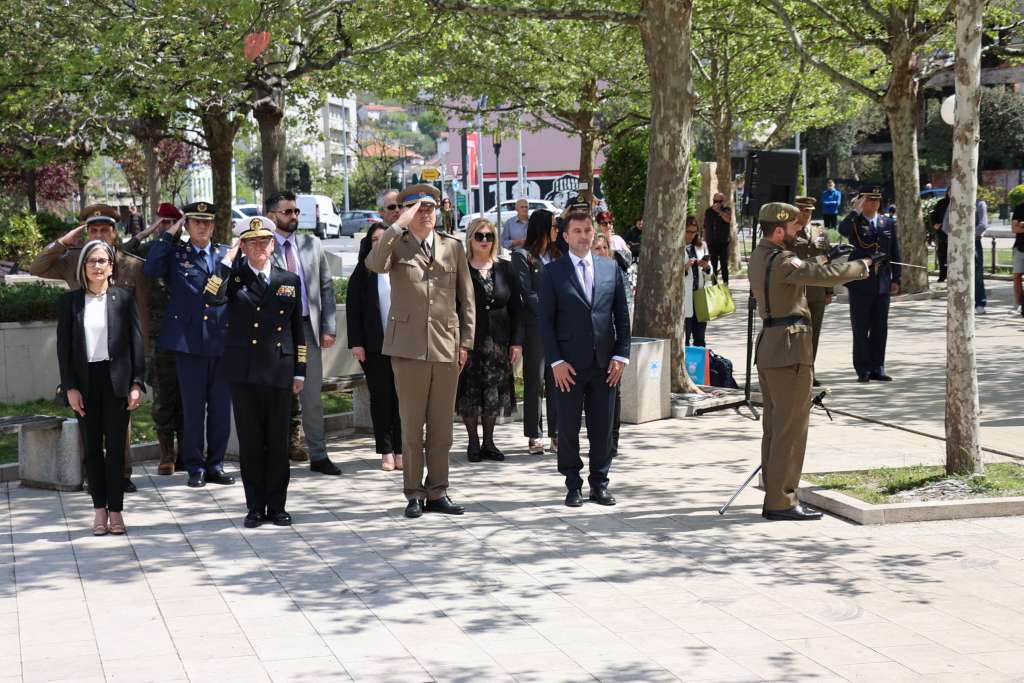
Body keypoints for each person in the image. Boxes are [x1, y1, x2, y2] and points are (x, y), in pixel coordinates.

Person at [749, 202, 873, 521]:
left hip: (770, 348)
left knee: (775, 427)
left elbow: (809, 266)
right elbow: (819, 275)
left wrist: (828, 257)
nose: (797, 231)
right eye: (792, 227)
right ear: (779, 230)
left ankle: (774, 489)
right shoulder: (782, 259)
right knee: (791, 429)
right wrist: (862, 265)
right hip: (790, 350)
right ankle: (781, 500)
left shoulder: (762, 255)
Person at [365, 184, 475, 519]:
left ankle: (437, 490)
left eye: (430, 207)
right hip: (408, 347)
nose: (425, 213)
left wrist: (466, 341)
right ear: (406, 211)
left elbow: (466, 298)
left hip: (445, 344)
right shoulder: (396, 244)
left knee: (441, 426)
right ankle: (413, 491)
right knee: (412, 426)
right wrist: (399, 224)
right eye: (417, 208)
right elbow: (374, 264)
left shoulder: (451, 247)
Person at [30, 203, 149, 493]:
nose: (99, 234)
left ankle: (122, 473)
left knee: (122, 422)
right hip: (84, 353)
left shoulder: (132, 265)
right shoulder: (73, 261)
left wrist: (139, 366)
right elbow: (37, 267)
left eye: (104, 230)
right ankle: (91, 472)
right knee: (86, 418)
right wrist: (63, 242)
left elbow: (140, 318)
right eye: (92, 229)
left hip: (119, 357)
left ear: (114, 233)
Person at [204, 217, 305, 528]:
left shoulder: (288, 279)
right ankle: (254, 507)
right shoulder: (233, 280)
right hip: (244, 371)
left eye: (265, 241)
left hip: (278, 369)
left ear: (273, 244)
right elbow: (209, 298)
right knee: (250, 443)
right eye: (253, 242)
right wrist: (226, 261)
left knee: (277, 441)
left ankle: (277, 506)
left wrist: (300, 371)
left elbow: (297, 329)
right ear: (243, 246)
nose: (260, 247)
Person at [539, 209, 631, 508]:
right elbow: (545, 323)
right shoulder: (552, 272)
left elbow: (622, 317)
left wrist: (621, 356)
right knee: (567, 428)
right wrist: (555, 362)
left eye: (588, 230)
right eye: (577, 231)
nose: (583, 235)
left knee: (602, 427)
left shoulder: (610, 269)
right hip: (568, 366)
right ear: (565, 237)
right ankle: (573, 484)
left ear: (595, 233)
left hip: (605, 365)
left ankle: (600, 483)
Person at [144, 201, 235, 488]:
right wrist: (170, 232)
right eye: (196, 221)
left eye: (207, 222)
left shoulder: (225, 254)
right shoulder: (175, 254)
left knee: (220, 409)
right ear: (187, 224)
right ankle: (194, 466)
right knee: (193, 409)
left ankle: (215, 465)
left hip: (221, 342)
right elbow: (150, 268)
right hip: (189, 343)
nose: (202, 226)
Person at [56, 240, 145, 535]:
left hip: (116, 381)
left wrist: (136, 383)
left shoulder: (124, 298)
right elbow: (64, 351)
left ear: (111, 267)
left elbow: (136, 345)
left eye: (102, 261)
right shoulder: (70, 303)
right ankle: (99, 512)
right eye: (91, 261)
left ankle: (117, 512)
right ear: (83, 267)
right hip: (85, 383)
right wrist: (70, 387)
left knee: (116, 449)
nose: (97, 266)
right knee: (92, 449)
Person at [265, 191, 341, 475]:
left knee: (312, 398)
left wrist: (328, 327)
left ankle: (319, 455)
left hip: (307, 331)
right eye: (287, 212)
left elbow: (326, 287)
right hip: (276, 336)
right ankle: (275, 456)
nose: (294, 216)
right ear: (273, 215)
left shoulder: (312, 244)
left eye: (296, 211)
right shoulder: (264, 245)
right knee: (277, 398)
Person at [123, 203, 186, 475]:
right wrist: (147, 230)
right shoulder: (150, 251)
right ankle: (166, 454)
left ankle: (186, 452)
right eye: (162, 222)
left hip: (186, 336)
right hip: (159, 337)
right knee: (163, 398)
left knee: (188, 398)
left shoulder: (185, 251)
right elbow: (123, 252)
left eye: (172, 222)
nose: (167, 227)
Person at [457, 219, 523, 462]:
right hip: (471, 341)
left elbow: (516, 307)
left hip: (499, 342)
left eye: (489, 236)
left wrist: (517, 341)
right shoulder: (461, 268)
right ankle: (473, 443)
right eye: (479, 236)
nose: (484, 241)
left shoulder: (505, 268)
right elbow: (455, 307)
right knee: (470, 394)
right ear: (471, 239)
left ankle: (489, 442)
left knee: (494, 394)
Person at [346, 224, 403, 471]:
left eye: (385, 238)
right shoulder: (362, 273)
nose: (381, 243)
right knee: (381, 399)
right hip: (373, 347)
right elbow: (353, 311)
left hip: (404, 346)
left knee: (403, 400)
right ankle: (386, 450)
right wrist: (356, 343)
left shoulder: (402, 268)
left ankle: (402, 449)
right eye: (375, 239)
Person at [839, 188, 901, 383]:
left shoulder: (887, 222)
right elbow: (843, 231)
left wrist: (896, 278)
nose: (874, 203)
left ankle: (878, 367)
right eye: (869, 200)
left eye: (876, 200)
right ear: (862, 201)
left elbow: (894, 252)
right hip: (860, 282)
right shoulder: (855, 221)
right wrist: (855, 211)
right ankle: (863, 369)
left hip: (882, 282)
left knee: (880, 327)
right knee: (860, 327)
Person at [512, 210, 561, 456]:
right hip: (536, 326)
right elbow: (526, 292)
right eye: (553, 225)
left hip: (561, 327)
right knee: (535, 381)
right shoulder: (522, 256)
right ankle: (535, 434)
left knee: (558, 380)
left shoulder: (559, 254)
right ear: (542, 228)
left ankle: (557, 433)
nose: (557, 229)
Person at [792, 197, 832, 386]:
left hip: (816, 291)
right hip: (795, 292)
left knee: (814, 333)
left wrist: (829, 290)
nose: (805, 214)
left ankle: (809, 371)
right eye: (802, 210)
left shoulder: (820, 233)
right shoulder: (789, 232)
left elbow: (827, 262)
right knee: (796, 332)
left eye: (808, 211)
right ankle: (793, 371)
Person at [939, 195, 988, 314]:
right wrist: (958, 236)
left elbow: (983, 225)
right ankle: (960, 302)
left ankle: (980, 303)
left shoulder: (979, 204)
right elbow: (945, 226)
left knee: (977, 274)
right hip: (957, 242)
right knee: (957, 273)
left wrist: (966, 236)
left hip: (973, 242)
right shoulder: (952, 205)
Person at [683, 215, 711, 347]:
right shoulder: (676, 247)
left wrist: (706, 267)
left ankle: (700, 365)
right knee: (685, 336)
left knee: (700, 336)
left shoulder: (701, 246)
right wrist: (686, 267)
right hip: (685, 297)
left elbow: (710, 276)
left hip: (700, 296)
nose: (691, 235)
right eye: (688, 231)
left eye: (694, 232)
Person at [703, 193, 732, 284]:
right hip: (711, 242)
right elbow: (705, 226)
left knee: (724, 265)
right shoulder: (708, 211)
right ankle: (714, 285)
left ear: (722, 202)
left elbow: (728, 219)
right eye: (715, 201)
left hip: (723, 243)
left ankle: (725, 284)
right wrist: (704, 240)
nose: (717, 203)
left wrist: (719, 211)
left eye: (719, 201)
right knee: (713, 266)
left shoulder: (727, 210)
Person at [930, 195, 950, 283]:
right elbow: (933, 216)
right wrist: (935, 225)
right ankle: (943, 275)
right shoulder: (941, 203)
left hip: (956, 235)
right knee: (942, 256)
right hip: (942, 234)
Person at [1012, 200, 1024, 315]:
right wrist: (1019, 225)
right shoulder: (1019, 207)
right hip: (1019, 247)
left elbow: (1018, 226)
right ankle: (1018, 304)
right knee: (1017, 276)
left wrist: (1022, 224)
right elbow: (1014, 229)